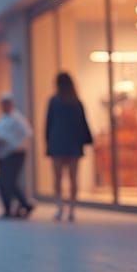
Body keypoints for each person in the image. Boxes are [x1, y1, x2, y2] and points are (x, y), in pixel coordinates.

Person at [45, 72, 93, 222]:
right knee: (73, 177)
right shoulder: (76, 102)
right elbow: (83, 123)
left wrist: (48, 141)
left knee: (58, 177)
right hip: (73, 143)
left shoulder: (54, 101)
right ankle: (72, 208)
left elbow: (48, 124)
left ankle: (60, 207)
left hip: (58, 143)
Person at [0, 93, 34, 218]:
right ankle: (19, 206)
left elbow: (27, 134)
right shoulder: (1, 119)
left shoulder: (17, 118)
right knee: (5, 183)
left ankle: (18, 206)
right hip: (3, 154)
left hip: (15, 153)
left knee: (7, 181)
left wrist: (12, 143)